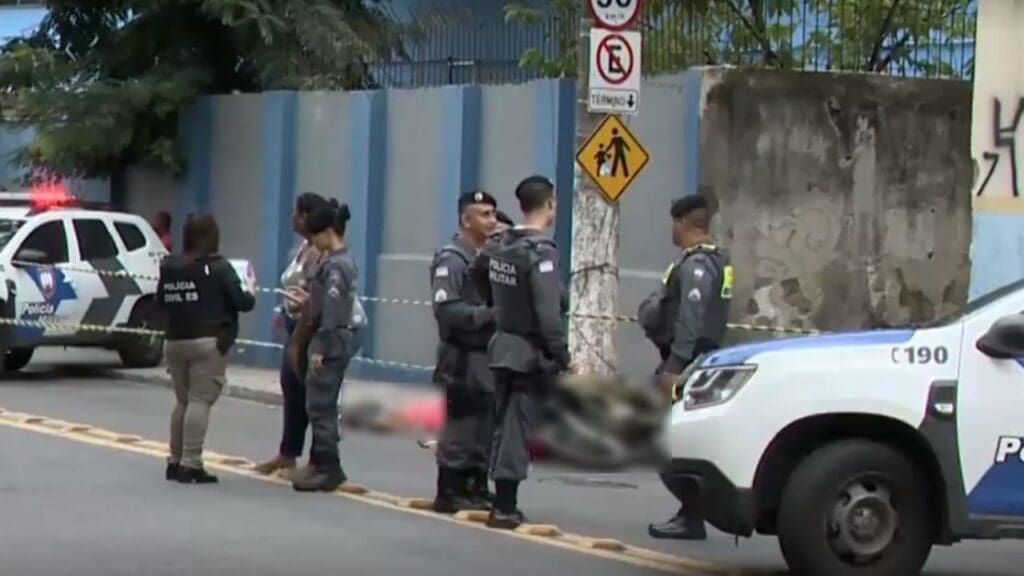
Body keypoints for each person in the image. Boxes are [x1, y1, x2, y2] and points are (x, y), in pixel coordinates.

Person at [470, 175, 569, 530]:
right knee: (517, 425)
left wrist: (497, 305)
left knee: (504, 422)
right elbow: (547, 311)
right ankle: (506, 505)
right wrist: (560, 353)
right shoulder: (541, 250)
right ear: (551, 204)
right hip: (529, 350)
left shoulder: (500, 243)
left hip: (502, 344)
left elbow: (476, 271)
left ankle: (501, 497)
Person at [646, 194, 733, 540]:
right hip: (696, 361)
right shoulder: (713, 260)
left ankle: (693, 514)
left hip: (688, 364)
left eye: (673, 222)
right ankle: (690, 513)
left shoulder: (697, 265)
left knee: (671, 440)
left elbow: (690, 317)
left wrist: (675, 367)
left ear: (683, 224)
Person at [159, 213, 256, 483]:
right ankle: (191, 462)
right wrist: (250, 289)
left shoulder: (170, 265)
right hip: (208, 341)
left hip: (175, 340)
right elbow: (243, 302)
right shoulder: (220, 267)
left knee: (182, 401)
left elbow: (160, 302)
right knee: (200, 401)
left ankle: (174, 460)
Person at [430, 190, 499, 513]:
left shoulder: (488, 257)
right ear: (465, 219)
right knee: (461, 425)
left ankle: (476, 485)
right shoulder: (452, 259)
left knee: (484, 424)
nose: (492, 220)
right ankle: (451, 487)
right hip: (460, 355)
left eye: (493, 213)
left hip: (486, 354)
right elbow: (447, 310)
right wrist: (490, 315)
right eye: (483, 214)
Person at [254, 192, 330, 477]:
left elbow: (314, 297)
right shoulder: (303, 248)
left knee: (308, 393)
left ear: (306, 217)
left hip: (307, 328)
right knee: (292, 389)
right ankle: (288, 453)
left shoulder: (320, 253)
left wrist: (298, 339)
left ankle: (316, 460)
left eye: (295, 213)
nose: (291, 219)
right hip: (293, 322)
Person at [292, 200, 362, 492]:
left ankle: (329, 467)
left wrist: (320, 348)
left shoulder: (336, 266)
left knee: (320, 406)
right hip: (333, 337)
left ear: (328, 232)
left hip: (330, 340)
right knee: (321, 404)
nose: (313, 243)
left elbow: (332, 310)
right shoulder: (337, 262)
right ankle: (322, 464)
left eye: (315, 236)